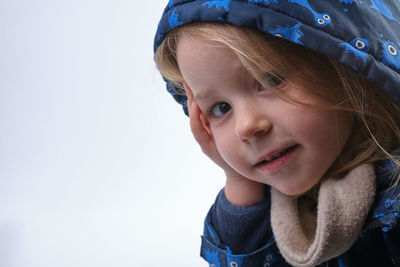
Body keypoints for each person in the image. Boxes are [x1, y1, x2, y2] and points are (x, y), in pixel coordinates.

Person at [153, 1, 400, 266]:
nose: (246, 126)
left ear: (346, 66)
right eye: (221, 108)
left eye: (270, 80)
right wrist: (238, 181)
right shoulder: (271, 210)